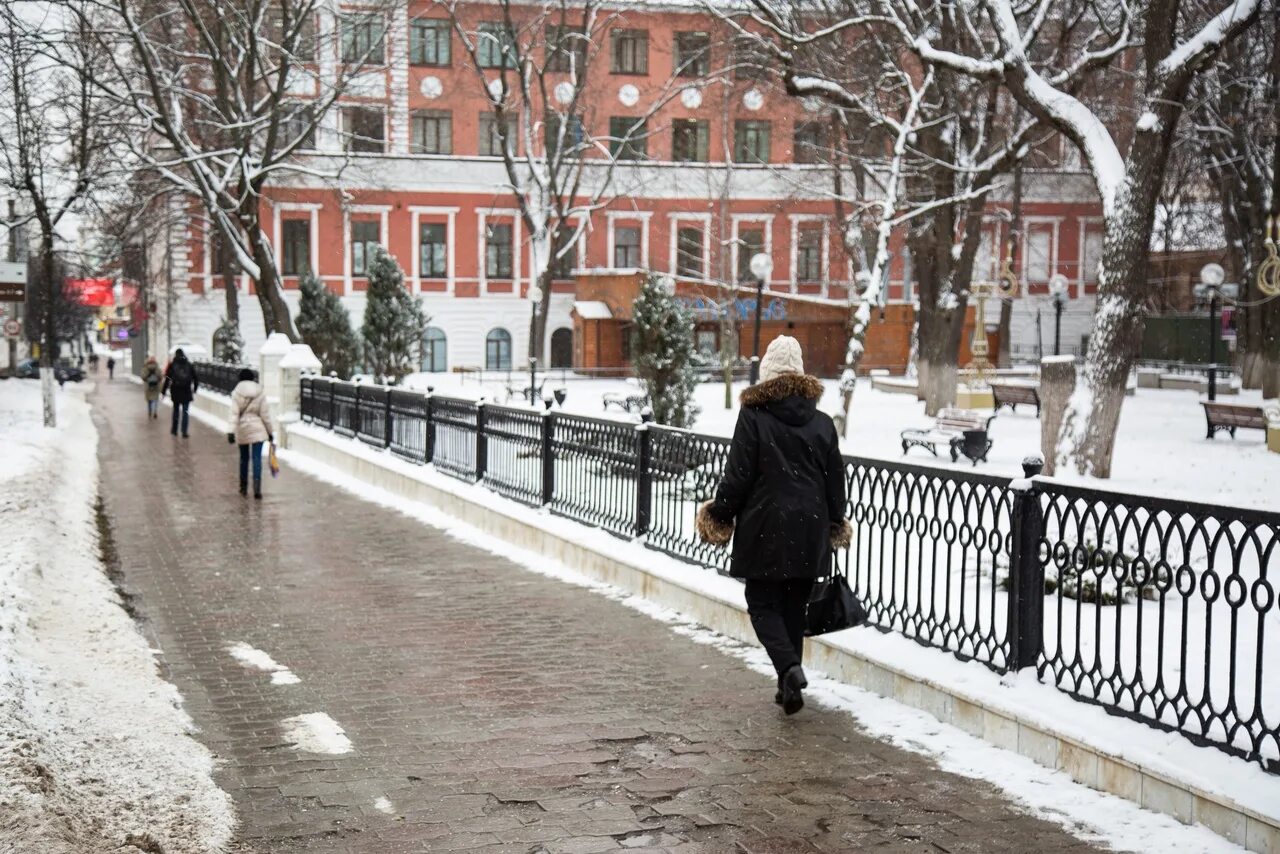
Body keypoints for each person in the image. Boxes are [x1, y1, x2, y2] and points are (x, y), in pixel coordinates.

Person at [695, 336, 849, 715]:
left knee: (761, 603)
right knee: (794, 605)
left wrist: (720, 513)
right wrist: (834, 520)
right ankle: (789, 688)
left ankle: (788, 669)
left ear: (767, 375)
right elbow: (835, 481)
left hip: (765, 525)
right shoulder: (823, 423)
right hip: (810, 528)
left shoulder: (754, 416)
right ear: (799, 374)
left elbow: (738, 474)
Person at [231, 368, 276, 499]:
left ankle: (243, 487)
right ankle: (257, 489)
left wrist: (231, 431)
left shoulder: (236, 393)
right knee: (257, 459)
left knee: (244, 458)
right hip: (258, 428)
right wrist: (270, 431)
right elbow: (265, 415)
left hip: (243, 428)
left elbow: (234, 413)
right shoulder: (259, 392)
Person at [162, 348, 199, 437]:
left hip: (176, 391)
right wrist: (195, 389)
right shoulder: (189, 364)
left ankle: (174, 430)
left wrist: (163, 391)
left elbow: (168, 379)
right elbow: (195, 378)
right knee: (185, 412)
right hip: (186, 391)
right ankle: (184, 431)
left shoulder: (172, 365)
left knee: (176, 411)